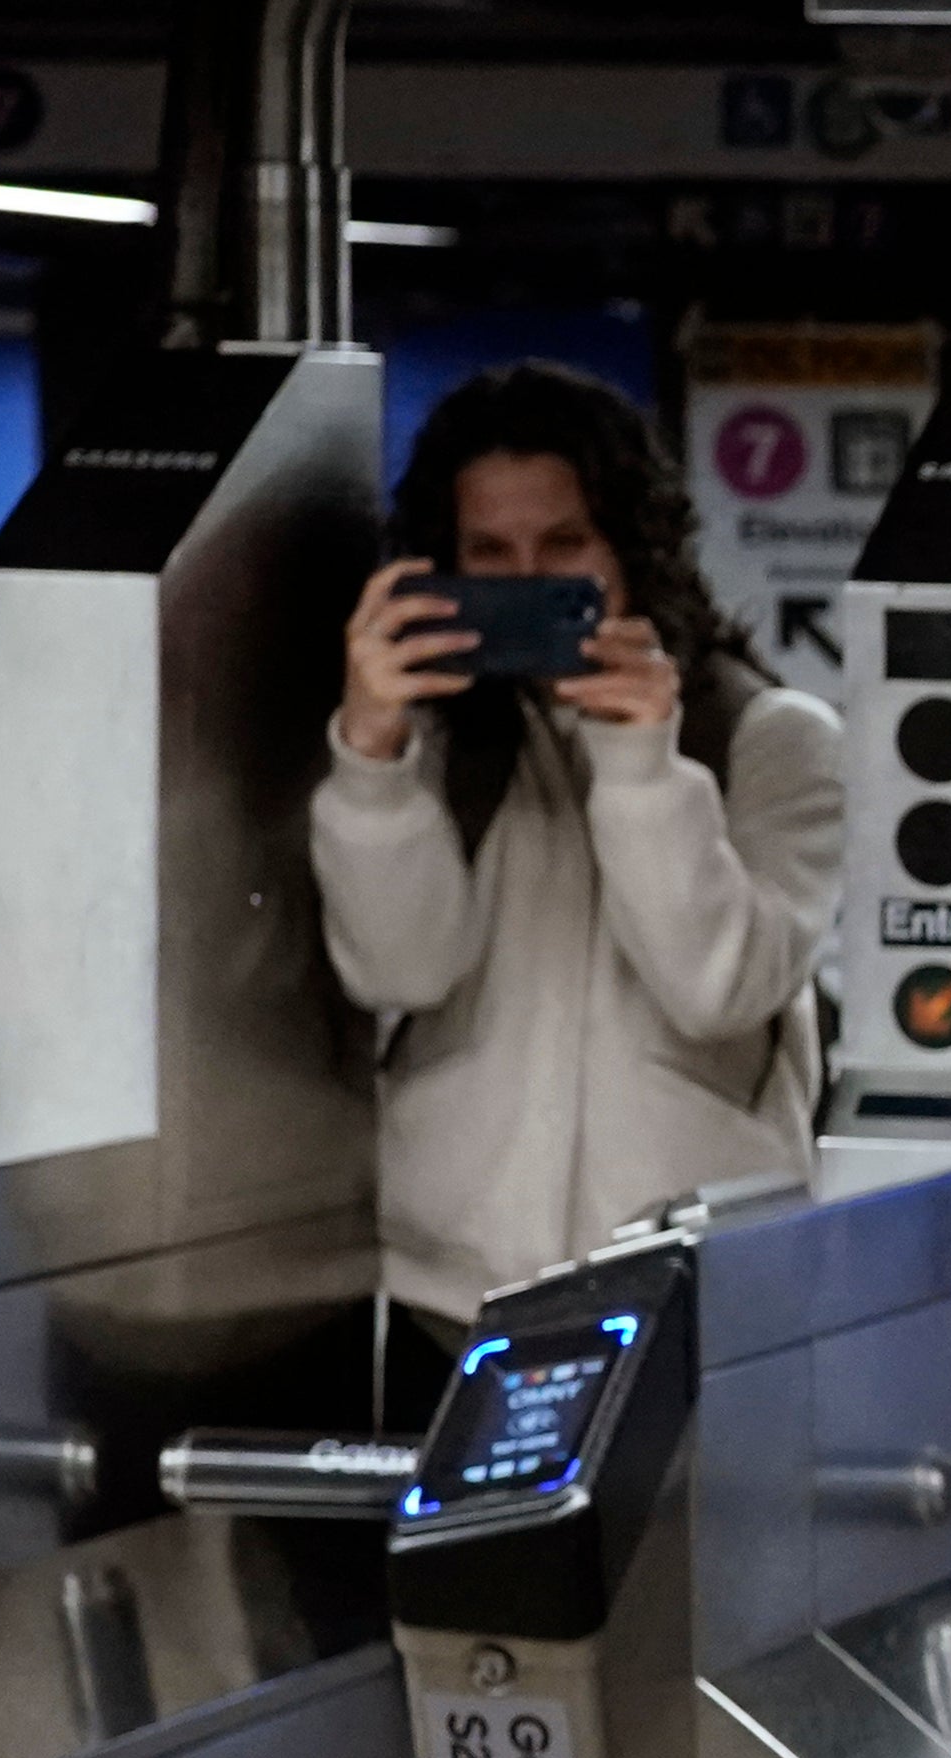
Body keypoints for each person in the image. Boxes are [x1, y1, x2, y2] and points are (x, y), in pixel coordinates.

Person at [316, 360, 844, 1356]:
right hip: (455, 1298)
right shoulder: (425, 737)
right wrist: (373, 756)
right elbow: (398, 970)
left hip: (698, 1294)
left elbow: (715, 985)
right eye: (490, 551)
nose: (527, 581)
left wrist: (641, 761)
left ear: (633, 547)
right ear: (447, 565)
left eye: (563, 544)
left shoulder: (772, 738)